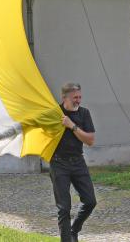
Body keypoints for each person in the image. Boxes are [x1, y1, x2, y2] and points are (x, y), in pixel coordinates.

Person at [50, 82, 97, 242]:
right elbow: (31, 124)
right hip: (58, 163)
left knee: (90, 201)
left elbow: (90, 140)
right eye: (75, 97)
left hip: (78, 162)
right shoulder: (55, 113)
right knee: (64, 208)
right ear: (64, 98)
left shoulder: (84, 114)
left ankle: (73, 231)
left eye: (80, 97)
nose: (78, 100)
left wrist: (72, 126)